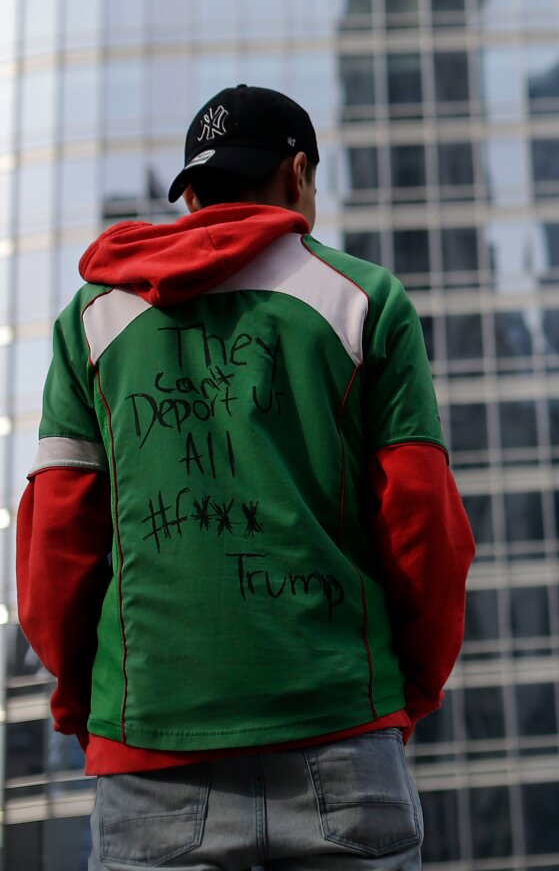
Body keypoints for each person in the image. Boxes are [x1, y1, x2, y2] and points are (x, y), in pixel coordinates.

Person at [15, 85, 475, 869]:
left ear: (191, 193)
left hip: (151, 756)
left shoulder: (90, 322)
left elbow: (57, 540)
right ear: (298, 176)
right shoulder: (363, 301)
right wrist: (407, 690)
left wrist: (90, 703)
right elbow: (424, 523)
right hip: (342, 738)